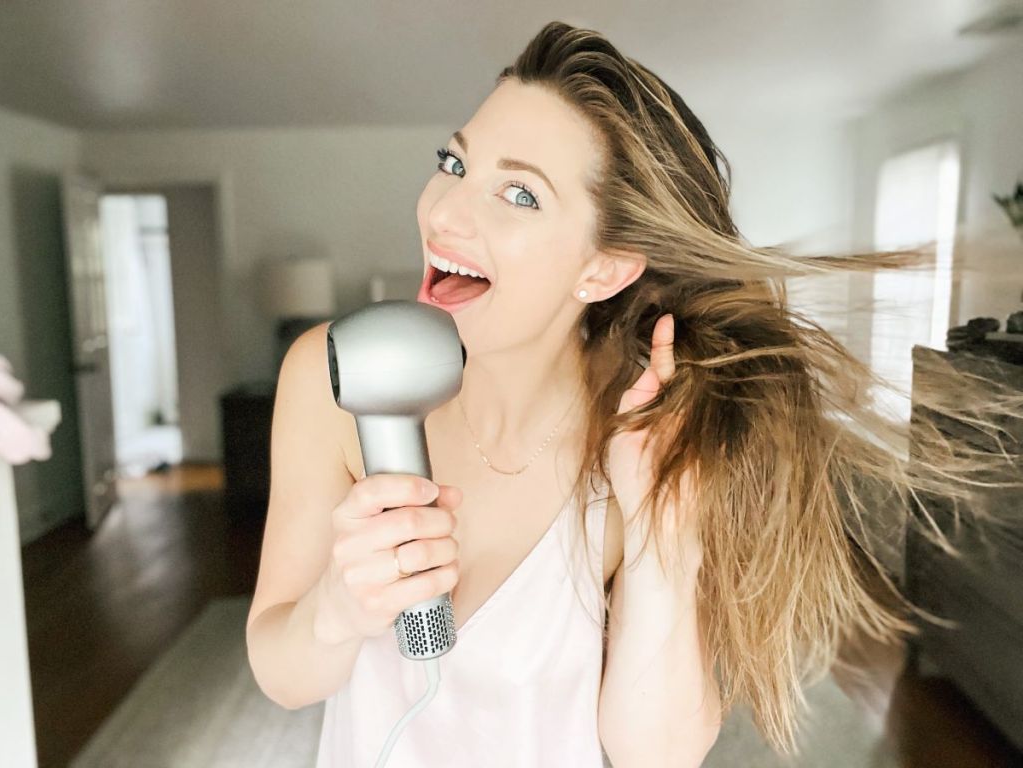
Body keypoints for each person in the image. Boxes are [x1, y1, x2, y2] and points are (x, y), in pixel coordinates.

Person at [246, 21, 1016, 768]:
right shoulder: (332, 375)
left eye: (519, 195)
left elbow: (656, 754)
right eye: (454, 164)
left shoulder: (643, 429)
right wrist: (336, 611)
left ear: (604, 270)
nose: (443, 214)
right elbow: (282, 673)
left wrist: (659, 527)